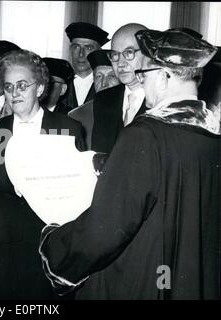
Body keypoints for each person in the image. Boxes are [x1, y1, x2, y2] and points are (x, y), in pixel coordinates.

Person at [39, 28, 220, 300]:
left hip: (139, 279)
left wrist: (54, 243)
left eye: (143, 74)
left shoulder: (145, 134)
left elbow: (106, 230)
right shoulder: (213, 137)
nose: (140, 82)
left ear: (162, 76)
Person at [0, 49, 86, 299]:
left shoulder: (68, 127)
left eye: (22, 85)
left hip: (48, 233)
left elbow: (79, 189)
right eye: (8, 86)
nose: (14, 94)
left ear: (39, 89)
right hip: (3, 232)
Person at [91, 23, 148, 153]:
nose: (120, 64)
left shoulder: (162, 101)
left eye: (129, 53)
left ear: (148, 54)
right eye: (115, 55)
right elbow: (99, 153)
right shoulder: (103, 99)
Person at [68, 49, 120, 149]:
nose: (104, 83)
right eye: (99, 76)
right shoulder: (76, 115)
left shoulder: (129, 110)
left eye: (112, 76)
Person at [60, 22, 110, 112]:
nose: (81, 54)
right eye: (76, 47)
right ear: (70, 49)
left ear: (98, 51)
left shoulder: (108, 84)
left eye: (88, 48)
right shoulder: (58, 84)